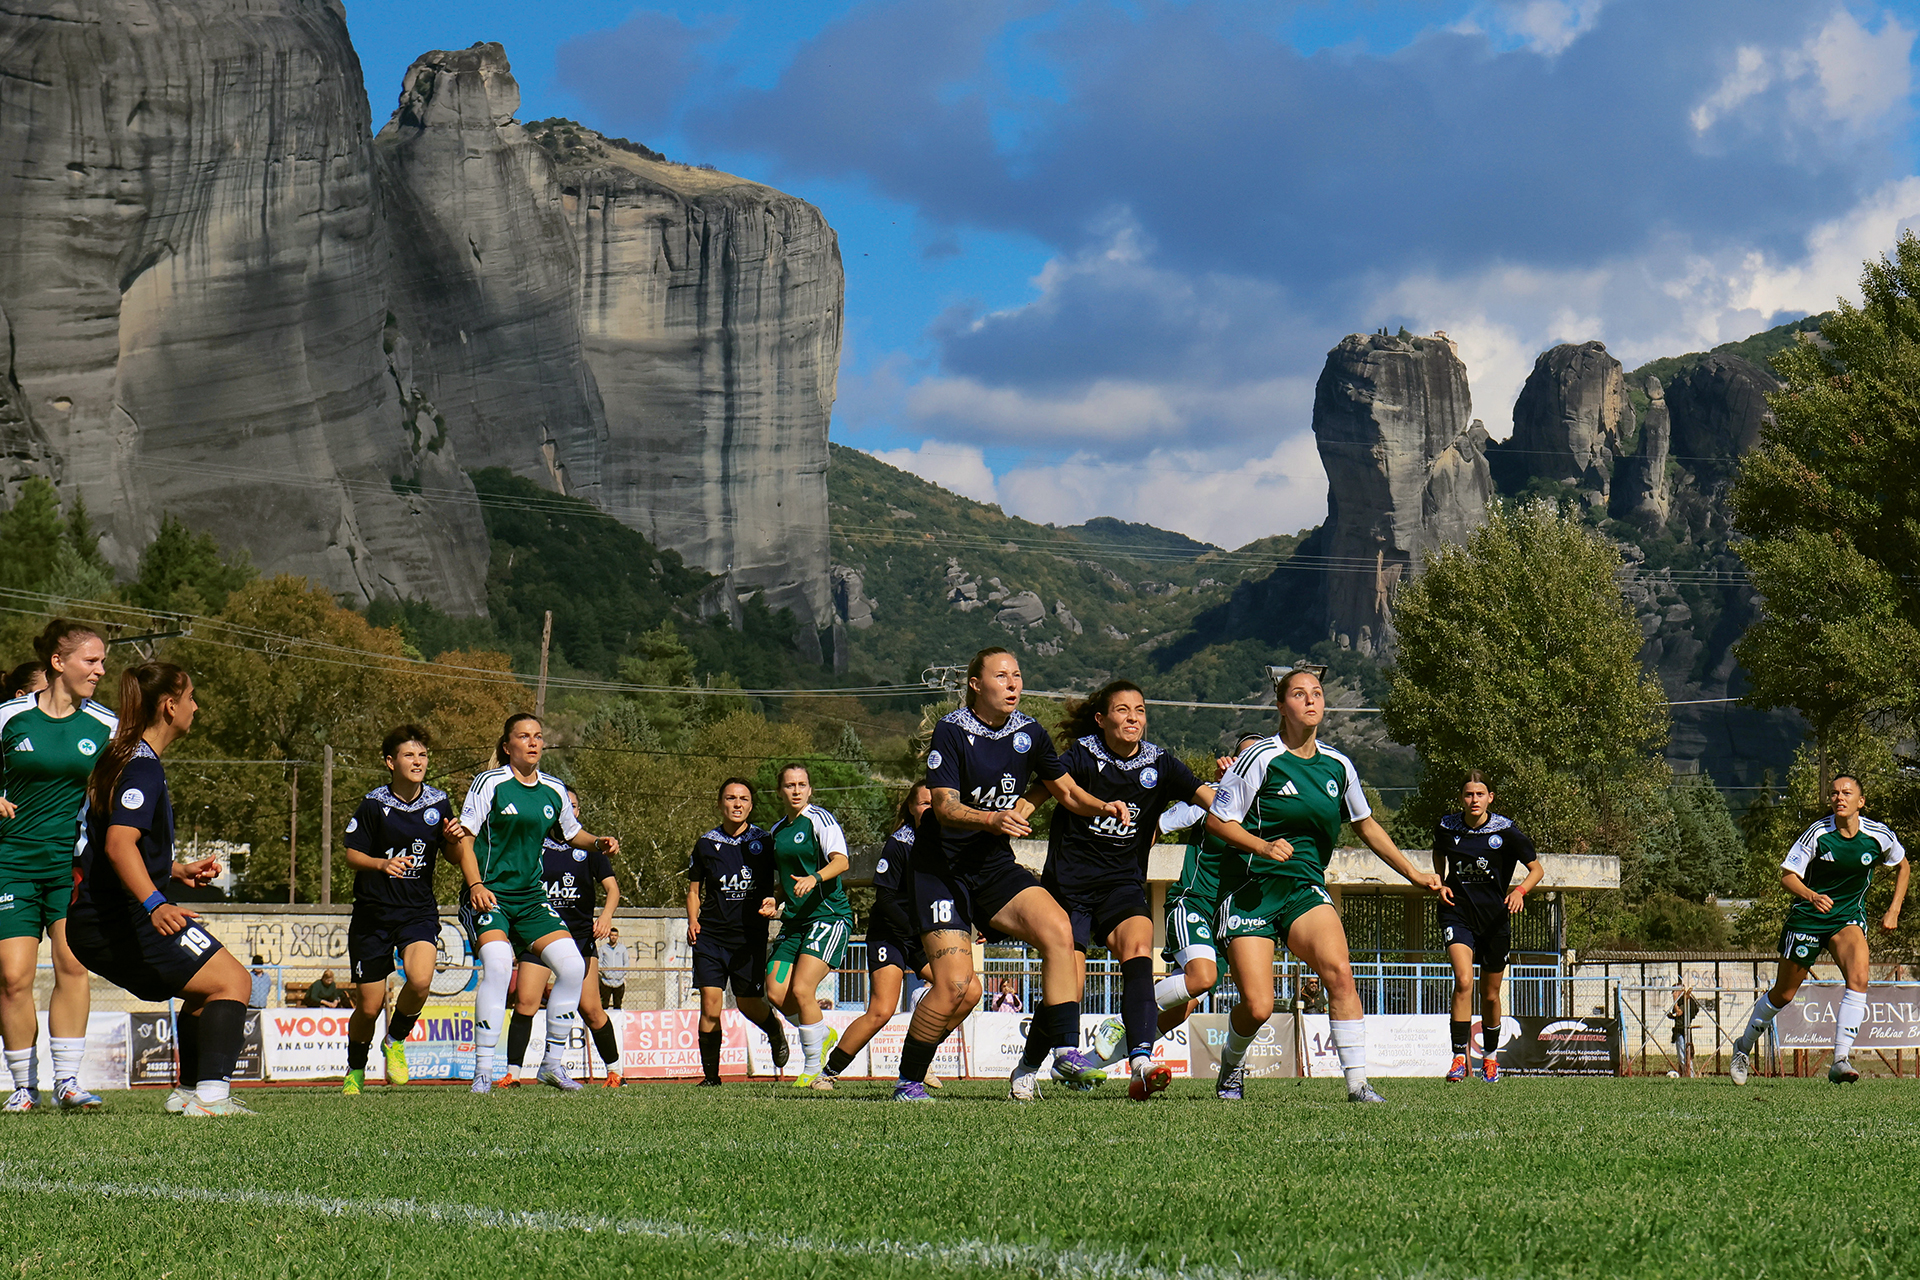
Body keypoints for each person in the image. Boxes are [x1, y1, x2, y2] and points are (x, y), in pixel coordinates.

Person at [893, 646, 1128, 1103]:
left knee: (1059, 928)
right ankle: (909, 1079)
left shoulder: (1029, 732)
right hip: (940, 870)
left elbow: (1066, 792)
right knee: (957, 987)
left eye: (1017, 675)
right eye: (1002, 676)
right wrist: (991, 819)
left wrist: (1104, 806)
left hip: (992, 865)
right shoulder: (952, 730)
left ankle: (1063, 1050)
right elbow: (941, 806)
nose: (1014, 683)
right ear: (976, 685)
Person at [1207, 664, 1442, 1103]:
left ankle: (1357, 1084)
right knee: (1258, 1006)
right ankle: (1231, 1068)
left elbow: (1366, 825)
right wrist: (1261, 845)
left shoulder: (1339, 764)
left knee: (1340, 972)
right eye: (1299, 694)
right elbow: (1218, 822)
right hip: (1251, 890)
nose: (1311, 700)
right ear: (1281, 706)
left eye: (1316, 692)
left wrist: (1413, 873)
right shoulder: (1259, 758)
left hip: (1303, 889)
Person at [65, 662, 250, 1116]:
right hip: (118, 919)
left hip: (94, 917)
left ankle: (188, 1093)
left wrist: (175, 869)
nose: (196, 706)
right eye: (190, 697)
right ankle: (211, 1097)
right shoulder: (142, 766)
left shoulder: (120, 755)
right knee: (233, 981)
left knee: (205, 987)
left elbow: (114, 846)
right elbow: (116, 843)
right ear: (170, 706)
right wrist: (154, 901)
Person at [1024, 680, 1214, 1102]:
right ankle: (1030, 1065)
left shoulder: (1159, 763)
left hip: (1121, 885)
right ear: (1101, 719)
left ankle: (1141, 1061)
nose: (1133, 718)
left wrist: (1247, 800)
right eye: (1123, 710)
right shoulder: (1082, 755)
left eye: (1140, 710)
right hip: (1068, 888)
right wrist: (1014, 817)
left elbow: (1210, 799)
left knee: (1139, 947)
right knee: (1065, 988)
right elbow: (1044, 790)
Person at [451, 713, 620, 1092]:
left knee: (573, 967)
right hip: (489, 893)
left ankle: (552, 1066)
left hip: (531, 899)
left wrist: (598, 842)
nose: (532, 742)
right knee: (496, 965)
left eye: (538, 737)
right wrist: (475, 883)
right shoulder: (489, 783)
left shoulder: (554, 789)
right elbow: (465, 838)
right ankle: (482, 1071)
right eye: (523, 736)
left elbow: (573, 833)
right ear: (508, 745)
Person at [0, 619, 117, 1112]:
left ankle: (68, 1082)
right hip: (11, 863)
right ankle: (24, 1087)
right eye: (91, 661)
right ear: (58, 663)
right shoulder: (9, 717)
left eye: (102, 661)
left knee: (72, 965)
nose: (100, 670)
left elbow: (119, 806)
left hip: (70, 867)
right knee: (13, 976)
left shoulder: (105, 726)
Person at [1731, 774, 1908, 1085]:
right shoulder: (1818, 833)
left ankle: (1841, 1058)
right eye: (1835, 793)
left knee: (1859, 978)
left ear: (1860, 802)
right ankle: (1743, 1047)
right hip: (1808, 920)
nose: (1839, 797)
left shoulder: (1878, 835)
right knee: (1784, 995)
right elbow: (1787, 876)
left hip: (1846, 919)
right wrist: (1811, 895)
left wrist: (1893, 910)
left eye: (1847, 793)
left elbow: (1903, 865)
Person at [339, 725, 456, 1095]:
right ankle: (355, 1070)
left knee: (420, 980)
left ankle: (396, 1041)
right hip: (372, 915)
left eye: (422, 755)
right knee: (369, 1007)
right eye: (409, 755)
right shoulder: (374, 804)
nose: (417, 761)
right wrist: (380, 864)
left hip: (417, 911)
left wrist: (454, 841)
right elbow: (350, 854)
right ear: (390, 762)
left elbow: (452, 856)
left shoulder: (439, 803)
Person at [498, 788, 624, 1089]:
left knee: (592, 1009)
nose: (569, 810)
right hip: (539, 934)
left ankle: (615, 1072)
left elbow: (613, 889)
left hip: (579, 938)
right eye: (563, 805)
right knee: (526, 1002)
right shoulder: (534, 844)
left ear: (577, 812)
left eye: (574, 806)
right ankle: (512, 1075)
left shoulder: (589, 849)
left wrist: (605, 917)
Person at [820, 783, 942, 1088]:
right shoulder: (898, 844)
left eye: (933, 802)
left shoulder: (947, 842)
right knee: (881, 1010)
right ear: (911, 809)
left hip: (921, 934)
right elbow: (885, 899)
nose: (928, 808)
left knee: (963, 989)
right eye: (922, 803)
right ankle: (828, 1073)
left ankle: (919, 1058)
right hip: (891, 933)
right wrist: (916, 931)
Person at [1433, 772, 1543, 1084]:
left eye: (1480, 794)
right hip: (1457, 914)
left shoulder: (1505, 830)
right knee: (1463, 980)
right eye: (1468, 795)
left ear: (1490, 797)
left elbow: (1536, 869)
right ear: (1461, 798)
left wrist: (1519, 892)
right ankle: (1458, 1058)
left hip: (1495, 919)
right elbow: (1439, 852)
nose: (1474, 800)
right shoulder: (1447, 826)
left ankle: (1491, 1060)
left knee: (1491, 995)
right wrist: (1440, 881)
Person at [686, 778, 790, 1085]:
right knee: (710, 1005)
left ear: (751, 805)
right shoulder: (706, 843)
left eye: (743, 798)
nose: (737, 804)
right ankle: (711, 1078)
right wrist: (693, 920)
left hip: (749, 938)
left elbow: (785, 877)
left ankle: (774, 1029)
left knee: (747, 1003)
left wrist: (777, 900)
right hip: (711, 937)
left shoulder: (765, 842)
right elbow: (694, 890)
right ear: (720, 803)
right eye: (731, 798)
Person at [758, 763, 856, 1090]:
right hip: (795, 921)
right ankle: (820, 1034)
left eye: (802, 784)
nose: (796, 790)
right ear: (780, 792)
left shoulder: (820, 820)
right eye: (790, 785)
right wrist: (775, 899)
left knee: (802, 989)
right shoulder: (777, 832)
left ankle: (814, 1067)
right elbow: (785, 880)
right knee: (774, 990)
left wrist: (816, 878)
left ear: (810, 790)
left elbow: (841, 861)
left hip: (828, 917)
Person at [1669, 983, 1699, 1078]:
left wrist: (1675, 1000)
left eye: (1674, 991)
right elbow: (1678, 1015)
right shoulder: (1681, 1001)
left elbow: (1679, 1012)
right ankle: (1686, 1074)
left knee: (1685, 1055)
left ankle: (1690, 1075)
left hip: (1683, 1030)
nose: (1673, 993)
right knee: (1681, 1055)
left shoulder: (1685, 1000)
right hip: (1679, 1029)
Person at [598, 929, 627, 1009]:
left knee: (617, 1004)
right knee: (604, 1005)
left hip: (619, 982)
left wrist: (621, 974)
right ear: (608, 936)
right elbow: (599, 962)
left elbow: (626, 963)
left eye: (615, 935)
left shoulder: (622, 949)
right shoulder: (603, 948)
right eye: (612, 935)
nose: (613, 937)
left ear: (617, 936)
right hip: (606, 982)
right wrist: (605, 973)